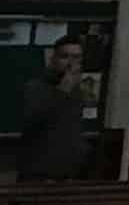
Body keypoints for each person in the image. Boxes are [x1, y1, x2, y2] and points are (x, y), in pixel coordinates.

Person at [15, 35, 101, 182]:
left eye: (76, 57)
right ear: (53, 60)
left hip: (71, 172)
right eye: (65, 57)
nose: (70, 63)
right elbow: (33, 122)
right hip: (40, 173)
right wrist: (62, 91)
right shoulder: (35, 88)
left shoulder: (77, 91)